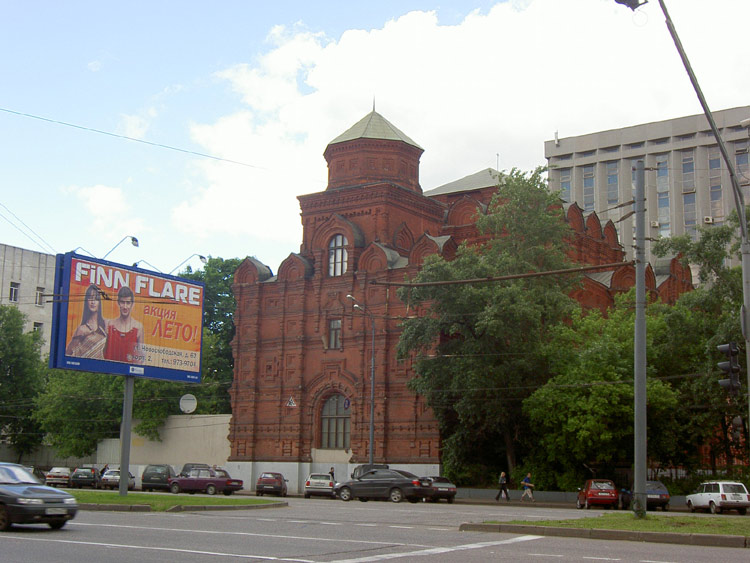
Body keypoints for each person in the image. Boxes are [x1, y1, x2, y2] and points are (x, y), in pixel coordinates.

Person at [104, 286, 144, 363]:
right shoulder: (109, 325)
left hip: (129, 373)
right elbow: (103, 352)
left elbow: (141, 356)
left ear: (132, 304)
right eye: (122, 302)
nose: (125, 307)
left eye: (128, 303)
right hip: (108, 372)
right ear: (118, 303)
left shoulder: (138, 327)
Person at [66, 284, 107, 359]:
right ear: (86, 301)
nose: (93, 302)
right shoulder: (82, 329)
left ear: (99, 302)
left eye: (96, 299)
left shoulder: (105, 325)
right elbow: (68, 354)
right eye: (90, 298)